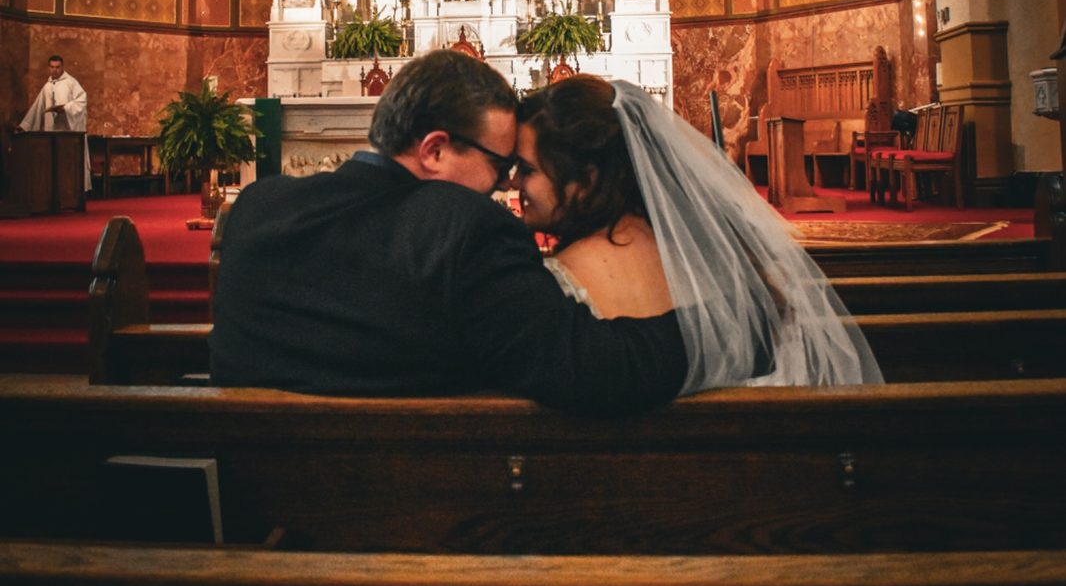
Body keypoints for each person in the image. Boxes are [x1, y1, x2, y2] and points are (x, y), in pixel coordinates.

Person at [209, 50, 689, 414]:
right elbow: (594, 369)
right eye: (501, 166)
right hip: (408, 512)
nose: (507, 184)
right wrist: (728, 324)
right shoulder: (468, 230)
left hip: (250, 502)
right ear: (436, 150)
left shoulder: (256, 208)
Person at [513, 76, 883, 393]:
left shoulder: (554, 284)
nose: (514, 181)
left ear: (587, 180)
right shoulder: (718, 254)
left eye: (527, 169)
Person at [18, 54, 91, 190]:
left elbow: (82, 101)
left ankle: (71, 192)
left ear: (62, 67)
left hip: (68, 133)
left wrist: (66, 108)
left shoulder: (71, 83)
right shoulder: (47, 86)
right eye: (52, 67)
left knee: (68, 165)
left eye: (57, 67)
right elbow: (37, 107)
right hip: (51, 133)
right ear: (48, 68)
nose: (55, 70)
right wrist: (25, 126)